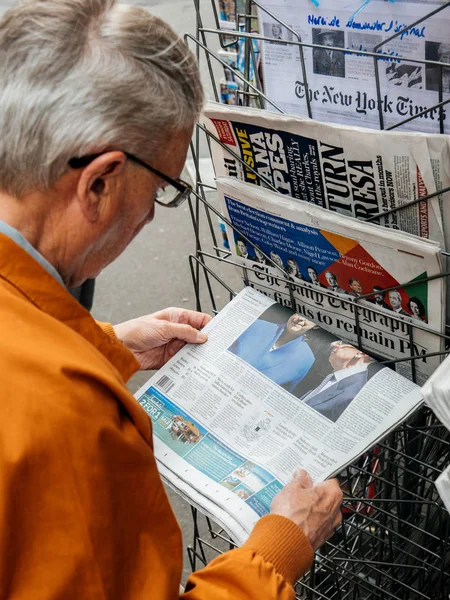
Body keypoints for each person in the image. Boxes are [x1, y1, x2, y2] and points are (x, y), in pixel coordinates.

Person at [0, 1, 343, 598]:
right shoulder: (61, 423)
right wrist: (275, 550)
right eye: (162, 187)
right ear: (99, 182)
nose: (149, 219)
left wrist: (106, 345)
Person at [229, 314, 317, 392]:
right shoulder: (257, 325)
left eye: (310, 317)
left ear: (316, 326)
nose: (301, 319)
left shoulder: (306, 359)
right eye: (299, 312)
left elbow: (284, 392)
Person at [302, 342, 383, 422]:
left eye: (343, 343)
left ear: (360, 353)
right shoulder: (331, 376)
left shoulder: (353, 395)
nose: (333, 344)